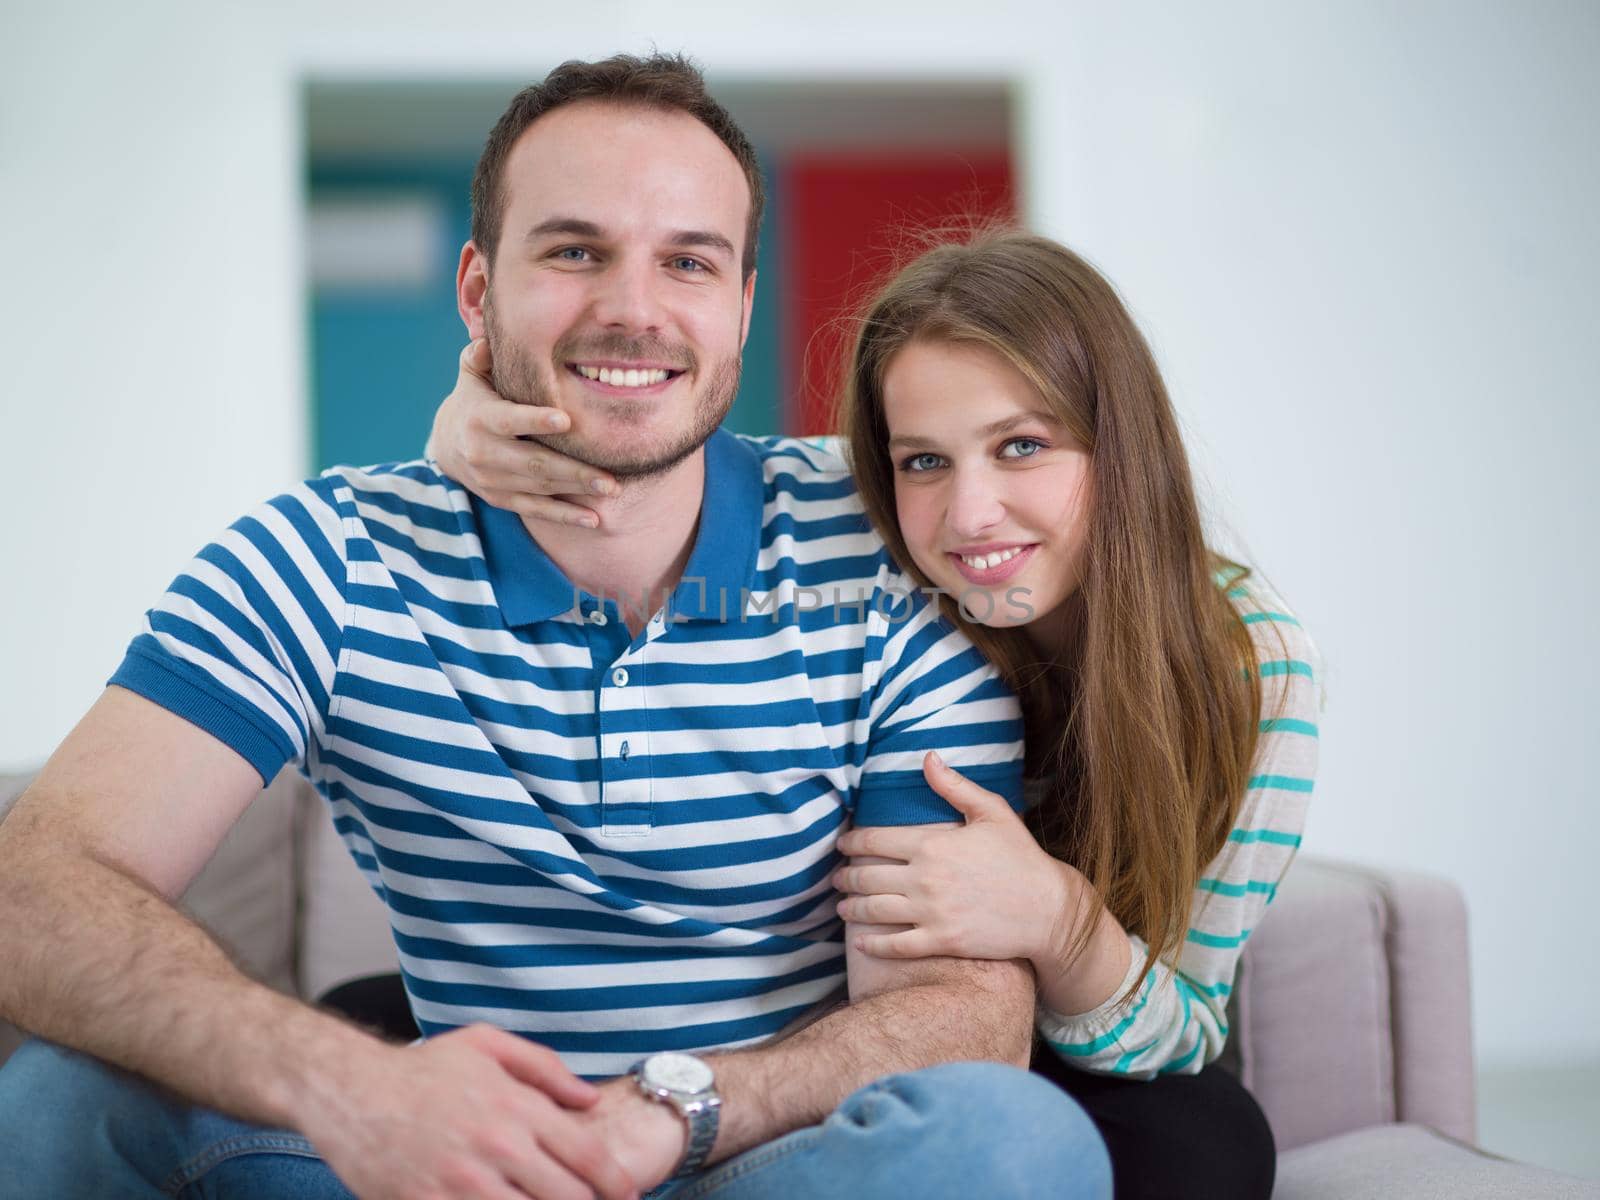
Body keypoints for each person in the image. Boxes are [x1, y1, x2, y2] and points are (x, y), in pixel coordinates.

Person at [0, 55, 1113, 1200]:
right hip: (442, 1177)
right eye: (574, 250)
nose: (632, 308)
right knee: (61, 1106)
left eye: (686, 261)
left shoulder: (887, 539)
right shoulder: (323, 558)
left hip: (767, 1166)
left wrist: (678, 1109)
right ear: (478, 293)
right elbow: (31, 887)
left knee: (1015, 1140)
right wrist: (351, 1085)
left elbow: (960, 1013)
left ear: (739, 305)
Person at [426, 230, 1321, 1199]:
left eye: (1023, 446)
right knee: (389, 1023)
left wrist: (1057, 922)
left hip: (1087, 1042)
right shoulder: (868, 535)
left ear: (1122, 445)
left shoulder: (1248, 666)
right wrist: (468, 423)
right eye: (924, 460)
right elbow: (679, 472)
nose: (970, 513)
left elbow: (1185, 1021)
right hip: (831, 1016)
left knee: (1207, 1147)